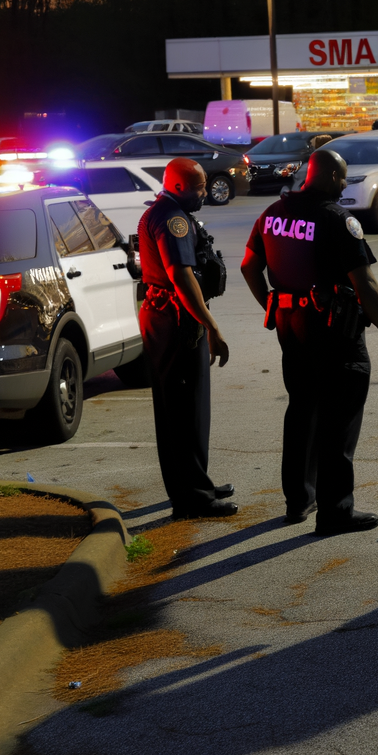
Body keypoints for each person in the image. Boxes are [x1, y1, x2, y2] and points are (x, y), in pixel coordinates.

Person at [240, 149, 378, 536]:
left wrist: (272, 303)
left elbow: (249, 264)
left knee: (301, 410)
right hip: (333, 330)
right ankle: (335, 512)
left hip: (290, 326)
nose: (344, 185)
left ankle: (299, 500)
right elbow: (365, 283)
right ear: (330, 177)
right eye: (343, 178)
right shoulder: (335, 218)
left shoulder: (274, 213)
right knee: (340, 419)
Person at [137, 157, 237, 520]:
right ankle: (192, 497)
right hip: (174, 321)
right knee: (182, 411)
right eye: (198, 187)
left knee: (189, 409)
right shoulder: (172, 218)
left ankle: (198, 484)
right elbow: (180, 276)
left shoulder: (167, 212)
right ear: (178, 186)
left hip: (171, 317)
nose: (204, 193)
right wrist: (212, 327)